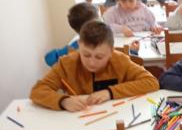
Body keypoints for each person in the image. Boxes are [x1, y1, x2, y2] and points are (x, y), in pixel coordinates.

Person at [30, 20, 159, 111]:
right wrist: (63, 101)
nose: (91, 62)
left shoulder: (119, 60)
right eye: (86, 55)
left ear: (111, 52)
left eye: (99, 57)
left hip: (115, 118)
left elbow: (151, 82)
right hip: (78, 123)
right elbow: (37, 91)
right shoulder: (66, 64)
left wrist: (110, 92)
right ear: (79, 46)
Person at [44, 2, 99, 66]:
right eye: (98, 21)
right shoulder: (78, 46)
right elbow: (49, 58)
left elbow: (49, 58)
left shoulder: (76, 43)